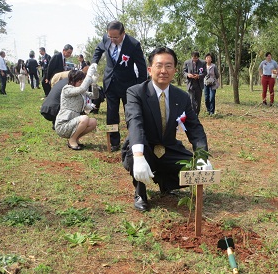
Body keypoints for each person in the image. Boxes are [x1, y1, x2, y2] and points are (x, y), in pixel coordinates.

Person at [121, 47, 211, 211]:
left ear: (175, 70)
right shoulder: (135, 93)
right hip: (145, 146)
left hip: (168, 147)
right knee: (136, 157)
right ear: (150, 70)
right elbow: (135, 122)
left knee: (192, 167)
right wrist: (139, 155)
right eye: (159, 65)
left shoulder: (182, 96)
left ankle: (165, 182)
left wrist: (201, 155)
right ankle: (141, 193)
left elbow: (194, 128)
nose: (164, 70)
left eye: (169, 66)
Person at [92, 20, 147, 152]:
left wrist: (140, 87)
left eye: (115, 37)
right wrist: (94, 63)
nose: (112, 40)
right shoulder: (106, 38)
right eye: (110, 36)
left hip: (128, 85)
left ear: (123, 33)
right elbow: (99, 49)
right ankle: (114, 142)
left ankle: (133, 141)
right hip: (110, 82)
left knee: (131, 114)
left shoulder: (133, 44)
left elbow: (142, 67)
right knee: (111, 114)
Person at [55, 64, 98, 150]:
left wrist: (94, 84)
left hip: (74, 123)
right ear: (72, 81)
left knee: (93, 122)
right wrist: (89, 76)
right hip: (63, 124)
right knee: (85, 118)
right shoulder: (67, 89)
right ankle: (72, 140)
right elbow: (81, 89)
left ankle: (75, 138)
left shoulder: (80, 91)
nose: (82, 84)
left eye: (82, 81)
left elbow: (94, 96)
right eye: (80, 81)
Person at [183, 51, 206, 115]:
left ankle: (197, 113)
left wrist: (199, 76)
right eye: (193, 58)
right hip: (191, 84)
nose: (195, 60)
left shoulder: (203, 63)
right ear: (191, 57)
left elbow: (205, 72)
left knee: (198, 101)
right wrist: (188, 75)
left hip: (199, 85)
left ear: (198, 57)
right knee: (191, 101)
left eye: (196, 58)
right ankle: (193, 115)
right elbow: (184, 72)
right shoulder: (187, 62)